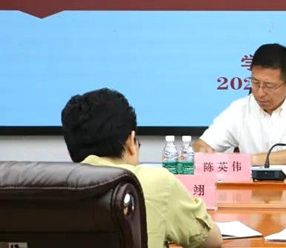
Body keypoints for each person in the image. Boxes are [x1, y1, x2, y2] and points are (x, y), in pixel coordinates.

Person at [61, 88, 222, 248]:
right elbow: (211, 241)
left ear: (69, 149)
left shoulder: (53, 186)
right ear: (130, 142)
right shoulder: (155, 182)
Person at [194, 43, 286, 166]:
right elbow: (202, 144)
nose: (260, 93)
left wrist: (250, 160)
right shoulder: (239, 108)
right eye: (255, 83)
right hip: (254, 183)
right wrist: (202, 151)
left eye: (269, 86)